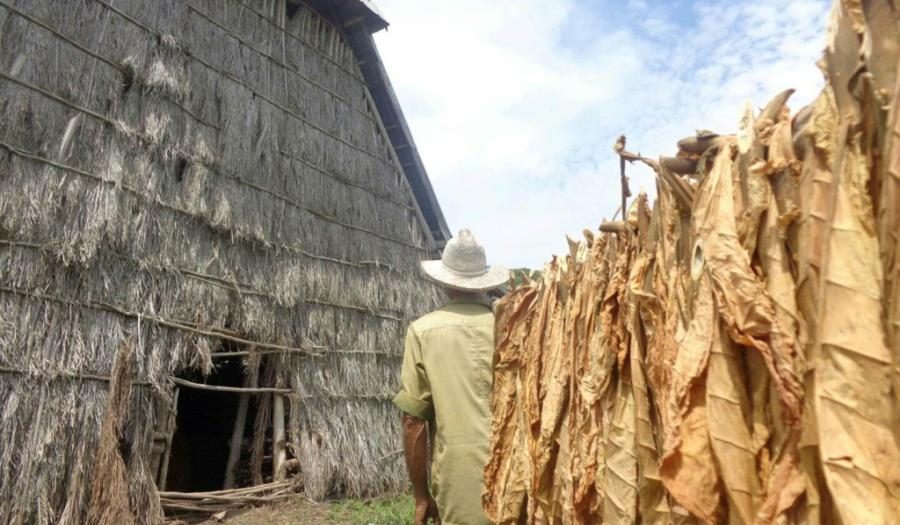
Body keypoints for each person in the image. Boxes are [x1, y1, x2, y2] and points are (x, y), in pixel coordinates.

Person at [393, 229, 509, 525]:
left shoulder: (422, 331)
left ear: (445, 283)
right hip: (518, 481)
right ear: (484, 283)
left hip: (459, 488)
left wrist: (421, 496)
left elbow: (414, 423)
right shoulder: (514, 327)